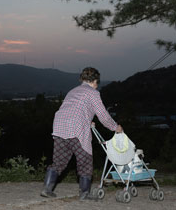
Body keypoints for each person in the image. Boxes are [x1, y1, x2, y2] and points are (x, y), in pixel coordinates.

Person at [40, 67, 123, 200]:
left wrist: (88, 122)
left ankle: (47, 189)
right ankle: (84, 194)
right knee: (85, 161)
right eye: (97, 82)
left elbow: (74, 109)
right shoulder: (93, 93)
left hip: (60, 126)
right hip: (76, 129)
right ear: (95, 80)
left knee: (59, 161)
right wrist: (115, 127)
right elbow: (102, 115)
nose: (97, 85)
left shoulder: (73, 91)